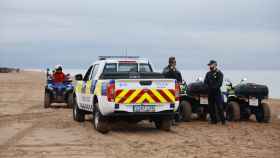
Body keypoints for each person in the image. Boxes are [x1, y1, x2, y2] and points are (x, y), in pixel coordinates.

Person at [204, 60, 226, 125]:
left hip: (217, 92)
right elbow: (205, 82)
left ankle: (223, 121)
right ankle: (214, 120)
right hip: (210, 93)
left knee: (220, 107)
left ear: (215, 65)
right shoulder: (208, 74)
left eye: (211, 65)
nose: (209, 66)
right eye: (209, 65)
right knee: (211, 107)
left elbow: (219, 83)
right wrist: (208, 88)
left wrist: (212, 88)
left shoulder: (220, 73)